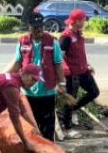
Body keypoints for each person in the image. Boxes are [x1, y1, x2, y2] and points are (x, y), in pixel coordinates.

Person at [8, 12, 66, 141]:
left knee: (47, 127)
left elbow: (58, 64)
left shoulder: (52, 41)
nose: (38, 30)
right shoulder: (23, 42)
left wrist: (62, 84)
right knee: (30, 126)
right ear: (29, 27)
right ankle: (32, 149)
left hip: (47, 91)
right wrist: (5, 78)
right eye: (35, 27)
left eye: (40, 26)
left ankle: (48, 149)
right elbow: (17, 63)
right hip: (28, 92)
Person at [59, 8, 99, 130]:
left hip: (83, 71)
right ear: (77, 21)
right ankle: (67, 125)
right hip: (72, 74)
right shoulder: (66, 37)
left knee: (94, 92)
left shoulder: (78, 34)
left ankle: (72, 110)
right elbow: (59, 57)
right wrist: (64, 73)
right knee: (71, 99)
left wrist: (88, 65)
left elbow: (80, 53)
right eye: (83, 20)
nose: (85, 22)